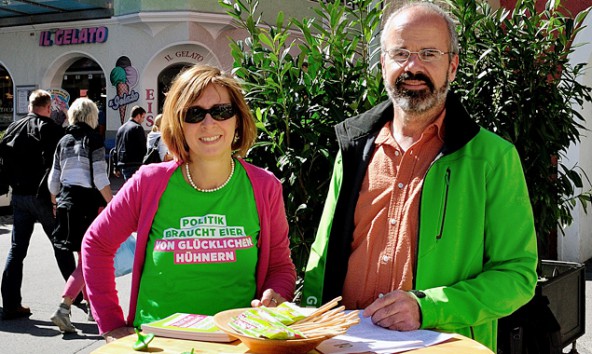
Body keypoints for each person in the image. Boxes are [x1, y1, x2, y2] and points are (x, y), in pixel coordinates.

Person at [302, 3, 538, 351]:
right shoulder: (354, 149)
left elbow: (517, 275)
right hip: (344, 343)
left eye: (429, 53)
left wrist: (427, 307)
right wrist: (304, 324)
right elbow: (321, 259)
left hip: (439, 345)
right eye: (400, 53)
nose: (413, 66)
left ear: (452, 65)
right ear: (383, 64)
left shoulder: (492, 157)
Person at [82, 64, 296, 342]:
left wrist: (275, 296)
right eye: (194, 114)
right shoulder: (149, 183)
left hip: (235, 344)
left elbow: (280, 267)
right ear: (178, 123)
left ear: (238, 119)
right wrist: (111, 324)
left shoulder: (264, 187)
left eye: (221, 111)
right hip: (159, 345)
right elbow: (96, 244)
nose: (209, 124)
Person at [0, 89, 76, 320]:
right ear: (47, 107)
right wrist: (57, 197)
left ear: (30, 105)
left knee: (16, 250)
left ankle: (11, 303)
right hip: (42, 196)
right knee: (60, 243)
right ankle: (78, 293)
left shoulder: (13, 127)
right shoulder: (50, 129)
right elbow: (57, 165)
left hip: (20, 195)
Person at [47, 97, 113, 333]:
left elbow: (53, 181)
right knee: (89, 259)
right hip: (87, 205)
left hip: (65, 204)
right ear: (92, 116)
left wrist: (56, 201)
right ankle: (64, 308)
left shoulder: (63, 141)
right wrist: (112, 203)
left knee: (83, 257)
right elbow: (100, 177)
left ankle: (93, 310)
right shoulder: (93, 139)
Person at [114, 105, 146, 180]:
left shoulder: (121, 128)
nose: (143, 120)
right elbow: (143, 148)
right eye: (143, 117)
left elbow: (116, 148)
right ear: (138, 116)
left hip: (123, 164)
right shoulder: (137, 128)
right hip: (135, 163)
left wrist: (116, 166)